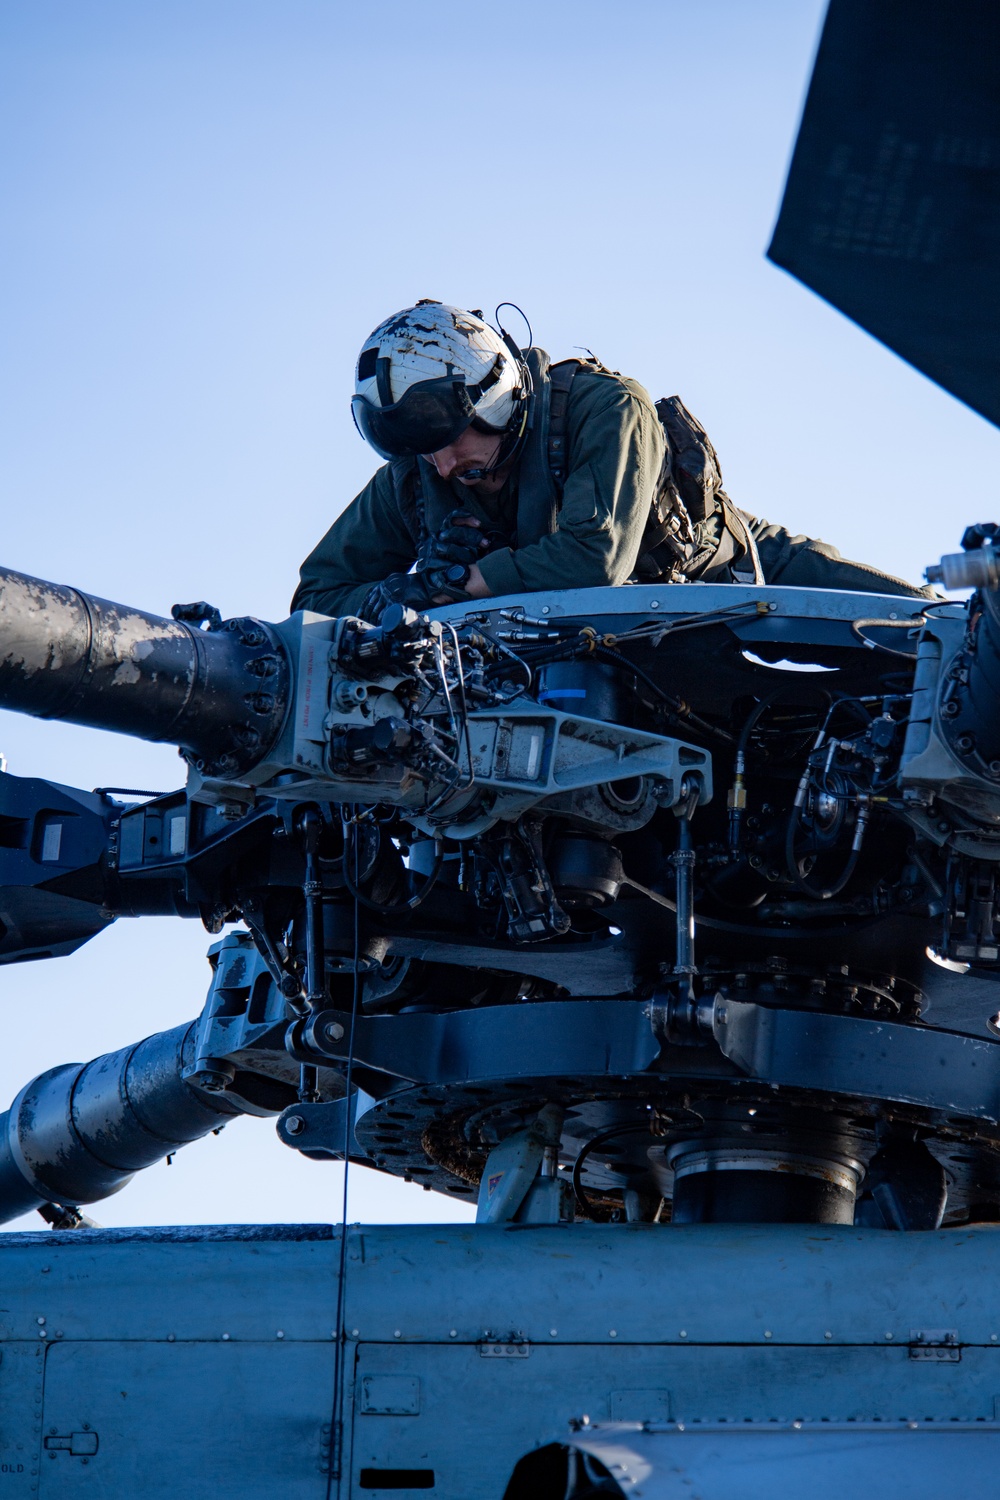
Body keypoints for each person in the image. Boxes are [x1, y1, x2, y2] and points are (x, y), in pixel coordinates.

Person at [292, 301, 929, 621]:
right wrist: (391, 596)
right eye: (421, 451)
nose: (440, 467)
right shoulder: (415, 473)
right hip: (562, 646)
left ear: (494, 399)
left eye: (449, 439)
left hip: (715, 581)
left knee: (920, 633)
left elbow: (592, 558)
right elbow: (316, 599)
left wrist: (451, 586)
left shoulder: (604, 408)